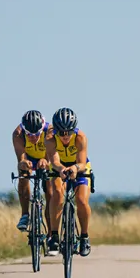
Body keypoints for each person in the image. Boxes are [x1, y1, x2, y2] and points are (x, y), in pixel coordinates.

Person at [46, 106, 92, 256]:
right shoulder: (50, 139)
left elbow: (82, 163)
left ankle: (84, 237)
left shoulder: (80, 138)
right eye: (61, 133)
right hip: (59, 167)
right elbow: (54, 160)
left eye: (69, 132)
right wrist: (61, 169)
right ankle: (54, 235)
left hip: (79, 167)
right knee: (58, 193)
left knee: (81, 201)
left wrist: (74, 168)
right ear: (55, 131)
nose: (65, 136)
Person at [12, 109, 52, 233]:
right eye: (29, 134)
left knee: (50, 189)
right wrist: (24, 163)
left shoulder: (50, 132)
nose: (33, 137)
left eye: (37, 134)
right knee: (24, 174)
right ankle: (25, 215)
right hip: (29, 158)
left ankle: (51, 232)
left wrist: (46, 162)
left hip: (46, 157)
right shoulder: (18, 134)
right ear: (24, 130)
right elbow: (21, 158)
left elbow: (52, 155)